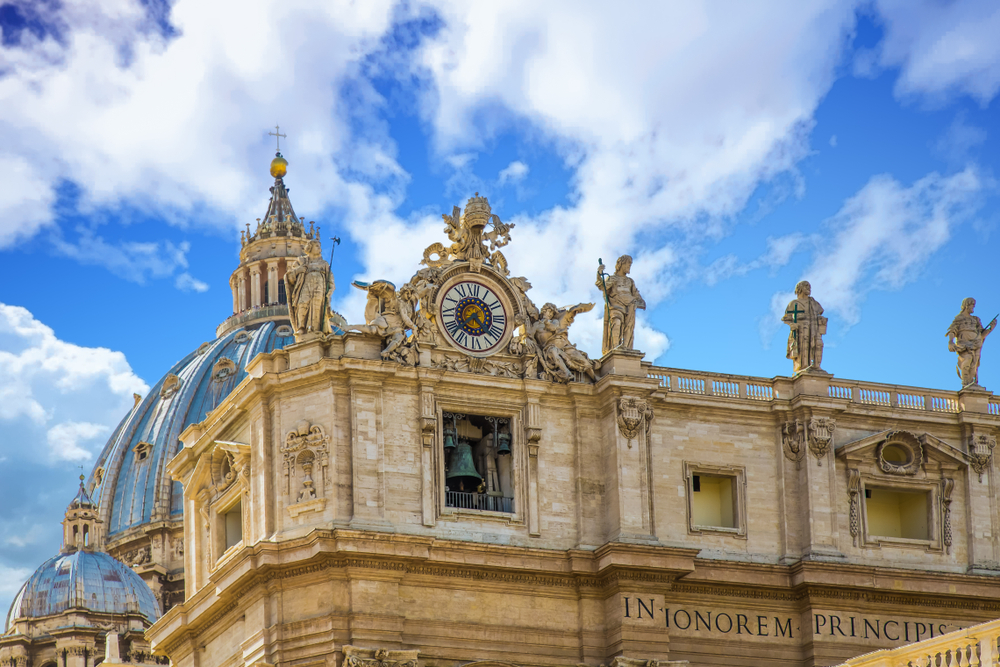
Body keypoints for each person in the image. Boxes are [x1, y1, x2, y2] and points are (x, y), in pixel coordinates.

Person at [597, 255, 646, 355]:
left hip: (629, 307)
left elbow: (636, 295)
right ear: (621, 264)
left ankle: (627, 349)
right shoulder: (613, 278)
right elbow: (603, 287)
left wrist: (640, 302)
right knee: (616, 323)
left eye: (630, 264)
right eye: (628, 264)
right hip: (616, 306)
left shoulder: (630, 281)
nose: (629, 266)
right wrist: (599, 274)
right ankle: (615, 349)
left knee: (628, 329)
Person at [284, 240, 332, 335]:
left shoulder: (324, 263)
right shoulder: (301, 261)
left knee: (317, 305)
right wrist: (298, 270)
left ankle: (314, 329)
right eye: (317, 246)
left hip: (319, 285)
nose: (320, 249)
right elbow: (289, 278)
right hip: (305, 285)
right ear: (310, 248)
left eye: (319, 246)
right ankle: (302, 327)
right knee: (303, 303)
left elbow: (330, 279)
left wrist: (330, 290)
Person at [947, 297, 996, 387]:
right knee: (967, 360)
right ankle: (965, 383)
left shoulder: (976, 319)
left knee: (974, 364)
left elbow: (981, 335)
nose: (973, 307)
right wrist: (951, 341)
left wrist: (991, 328)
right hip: (964, 344)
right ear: (967, 305)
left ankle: (971, 384)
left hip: (976, 344)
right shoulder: (959, 318)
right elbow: (952, 331)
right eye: (972, 305)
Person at [781, 280, 827, 373]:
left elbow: (819, 313)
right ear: (800, 288)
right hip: (801, 328)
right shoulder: (793, 303)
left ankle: (816, 366)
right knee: (803, 347)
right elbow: (786, 318)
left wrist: (821, 319)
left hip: (813, 327)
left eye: (809, 287)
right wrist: (791, 324)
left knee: (818, 345)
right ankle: (803, 366)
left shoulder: (814, 303)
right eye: (806, 286)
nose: (809, 289)